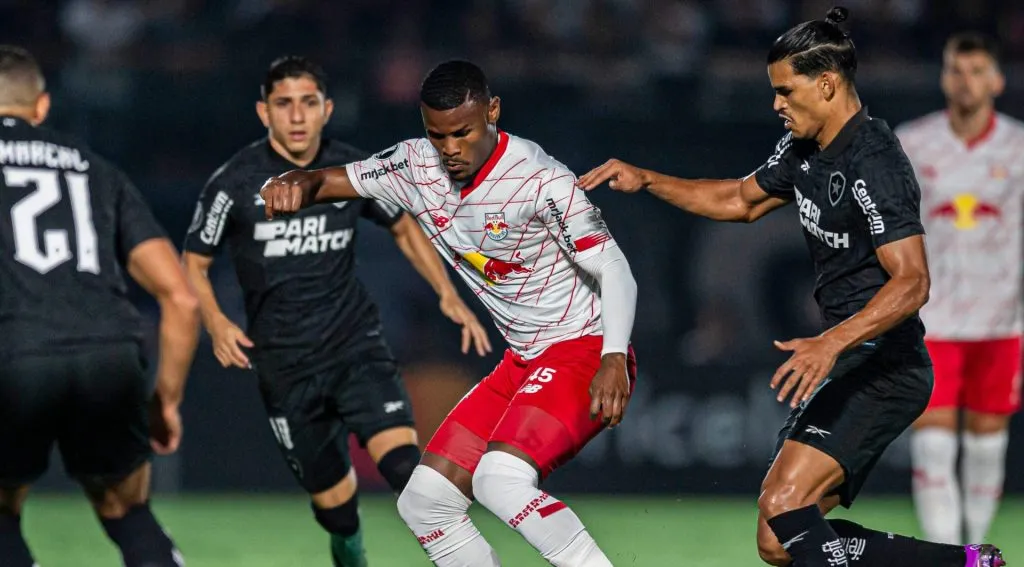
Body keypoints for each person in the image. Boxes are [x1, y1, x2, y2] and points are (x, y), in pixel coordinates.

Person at [578, 8, 1005, 567]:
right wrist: (648, 178)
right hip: (854, 361)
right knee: (780, 540)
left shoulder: (875, 161)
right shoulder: (807, 151)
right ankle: (970, 563)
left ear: (826, 84)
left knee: (782, 502)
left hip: (886, 367)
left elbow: (913, 282)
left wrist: (829, 343)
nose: (776, 104)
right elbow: (739, 199)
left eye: (785, 90)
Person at [259, 59, 638, 567]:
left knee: (498, 480)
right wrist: (295, 182)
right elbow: (329, 181)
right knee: (425, 504)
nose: (451, 149)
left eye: (463, 132)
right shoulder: (414, 166)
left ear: (493, 112)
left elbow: (615, 270)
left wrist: (613, 359)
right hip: (522, 360)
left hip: (584, 349)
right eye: (438, 136)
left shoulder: (541, 180)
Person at [182, 56, 490, 567]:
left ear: (327, 109)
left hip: (355, 347)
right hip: (285, 367)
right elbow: (193, 263)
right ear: (264, 112)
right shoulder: (233, 183)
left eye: (308, 103)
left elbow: (403, 224)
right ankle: (350, 552)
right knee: (338, 512)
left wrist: (446, 291)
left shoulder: (348, 172)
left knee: (406, 472)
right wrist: (215, 322)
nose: (297, 116)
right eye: (284, 104)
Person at [0, 45, 199, 567]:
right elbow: (179, 296)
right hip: (110, 355)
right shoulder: (95, 169)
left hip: (15, 352)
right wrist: (166, 400)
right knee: (127, 512)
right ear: (40, 107)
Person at [896, 32, 1024, 546]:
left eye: (976, 71)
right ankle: (952, 559)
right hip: (933, 319)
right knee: (931, 448)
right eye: (956, 70)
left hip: (1003, 318)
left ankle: (973, 546)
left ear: (997, 80)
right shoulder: (912, 141)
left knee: (987, 450)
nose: (965, 81)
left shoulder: (1018, 147)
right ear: (943, 77)